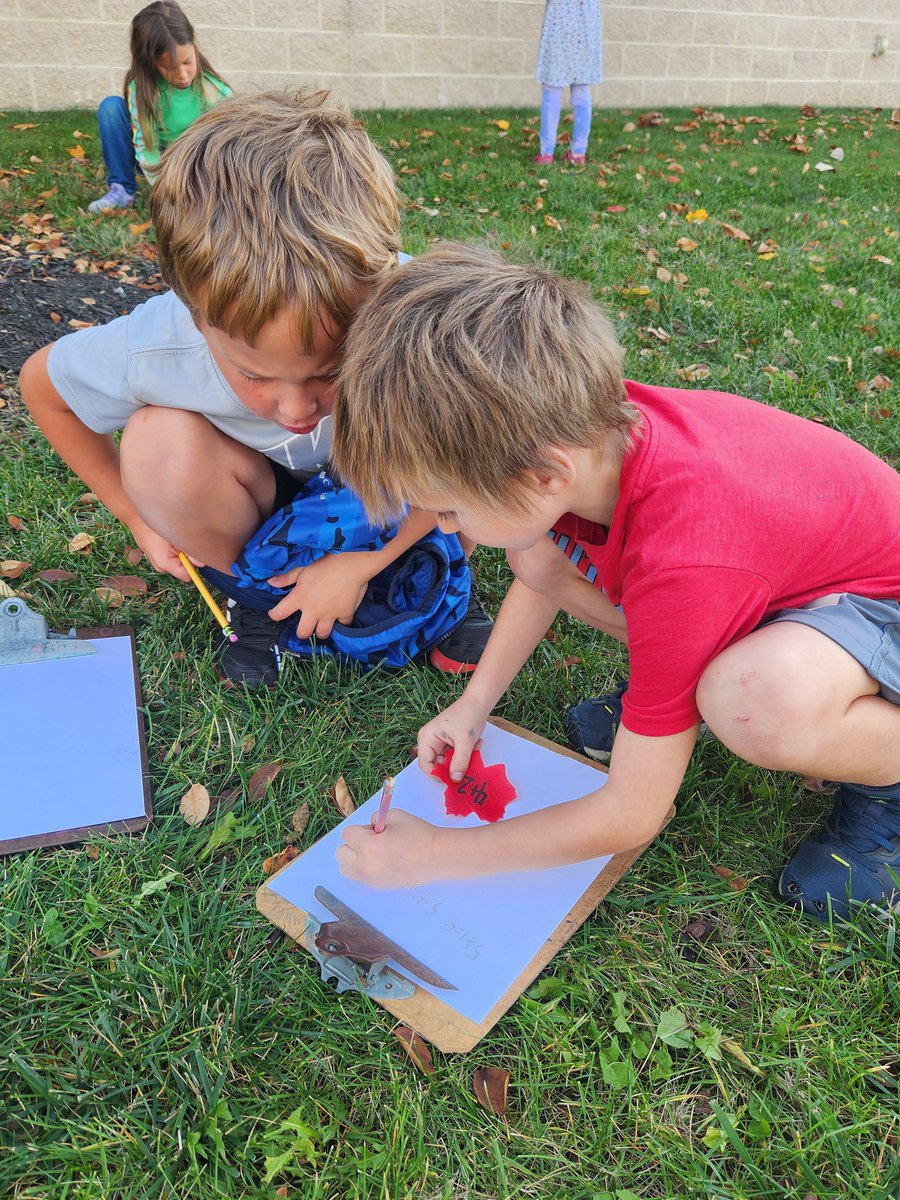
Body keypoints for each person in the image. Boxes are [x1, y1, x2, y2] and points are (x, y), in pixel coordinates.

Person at [330, 243, 900, 926]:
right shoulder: (580, 437)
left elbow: (632, 814)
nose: (447, 529)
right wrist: (474, 704)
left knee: (754, 703)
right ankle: (683, 683)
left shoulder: (686, 551)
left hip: (878, 606)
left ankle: (886, 779)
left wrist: (430, 858)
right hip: (783, 586)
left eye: (449, 507)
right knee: (538, 561)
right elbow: (542, 580)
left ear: (543, 477)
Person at [19, 93, 492, 687]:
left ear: (382, 292)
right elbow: (44, 389)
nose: (297, 409)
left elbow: (474, 456)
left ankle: (439, 572)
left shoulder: (419, 315)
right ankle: (258, 596)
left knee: (481, 406)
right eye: (255, 374)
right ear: (194, 314)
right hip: (259, 493)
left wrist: (369, 560)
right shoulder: (157, 342)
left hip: (394, 482)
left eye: (331, 370)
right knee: (157, 446)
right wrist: (135, 517)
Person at [88, 1, 231, 214]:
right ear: (151, 62)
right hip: (158, 161)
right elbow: (147, 146)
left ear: (194, 47)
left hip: (195, 159)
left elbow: (229, 144)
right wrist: (164, 189)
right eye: (168, 67)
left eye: (187, 62)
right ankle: (122, 190)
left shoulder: (215, 91)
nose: (182, 75)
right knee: (111, 108)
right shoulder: (142, 90)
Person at [534, 0, 602, 165]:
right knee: (580, 89)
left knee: (552, 89)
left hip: (559, 21)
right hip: (586, 21)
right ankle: (578, 153)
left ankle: (546, 154)